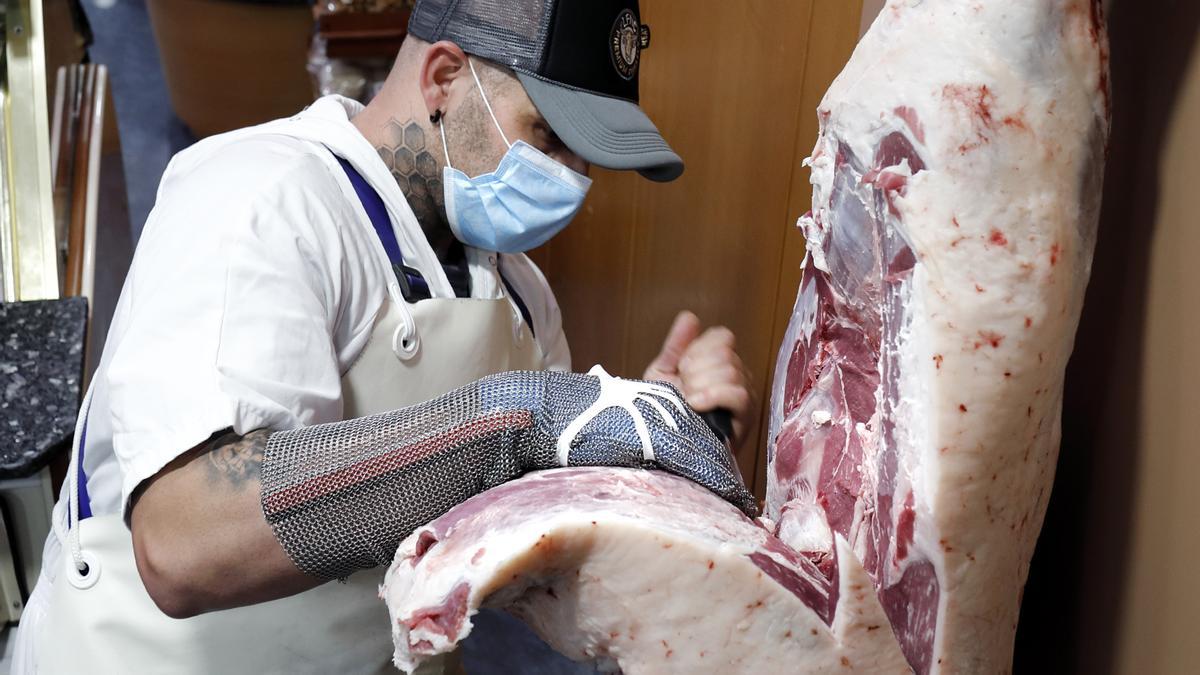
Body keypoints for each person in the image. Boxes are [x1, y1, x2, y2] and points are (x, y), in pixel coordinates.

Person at [13, 0, 757, 672]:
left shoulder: (521, 298)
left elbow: (525, 541)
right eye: (548, 138)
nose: (571, 179)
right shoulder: (258, 199)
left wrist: (642, 448)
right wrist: (508, 424)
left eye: (586, 160)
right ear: (442, 78)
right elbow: (182, 545)